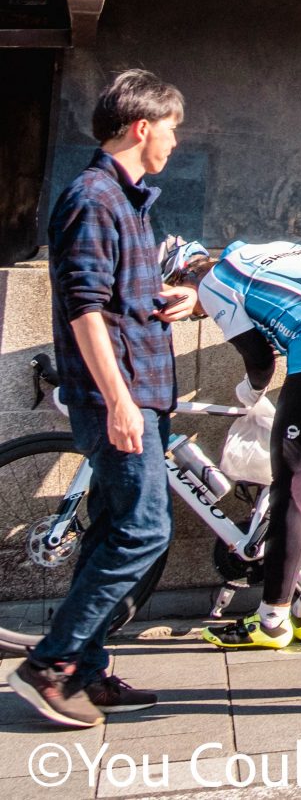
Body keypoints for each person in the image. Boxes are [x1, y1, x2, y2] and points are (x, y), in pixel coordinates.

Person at [10, 72, 187, 728]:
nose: (175, 139)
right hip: (123, 395)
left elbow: (113, 301)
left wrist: (175, 301)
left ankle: (85, 665)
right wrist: (117, 399)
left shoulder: (125, 200)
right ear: (143, 127)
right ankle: (52, 663)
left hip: (141, 387)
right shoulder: (92, 198)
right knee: (144, 529)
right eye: (171, 126)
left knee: (116, 527)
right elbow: (83, 309)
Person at [160, 234, 301, 651]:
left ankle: (270, 621)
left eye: (187, 306)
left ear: (182, 275)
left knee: (295, 492)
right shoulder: (268, 253)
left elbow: (260, 360)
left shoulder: (215, 282)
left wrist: (250, 392)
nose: (194, 314)